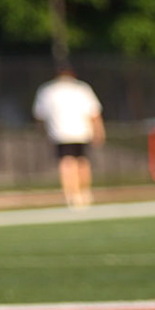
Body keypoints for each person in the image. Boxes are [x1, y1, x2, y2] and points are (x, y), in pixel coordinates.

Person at [32, 68, 104, 208]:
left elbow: (39, 116)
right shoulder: (81, 89)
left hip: (60, 132)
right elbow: (94, 113)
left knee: (67, 162)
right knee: (81, 161)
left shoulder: (47, 90)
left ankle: (71, 194)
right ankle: (84, 192)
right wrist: (99, 131)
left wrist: (42, 132)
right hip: (81, 132)